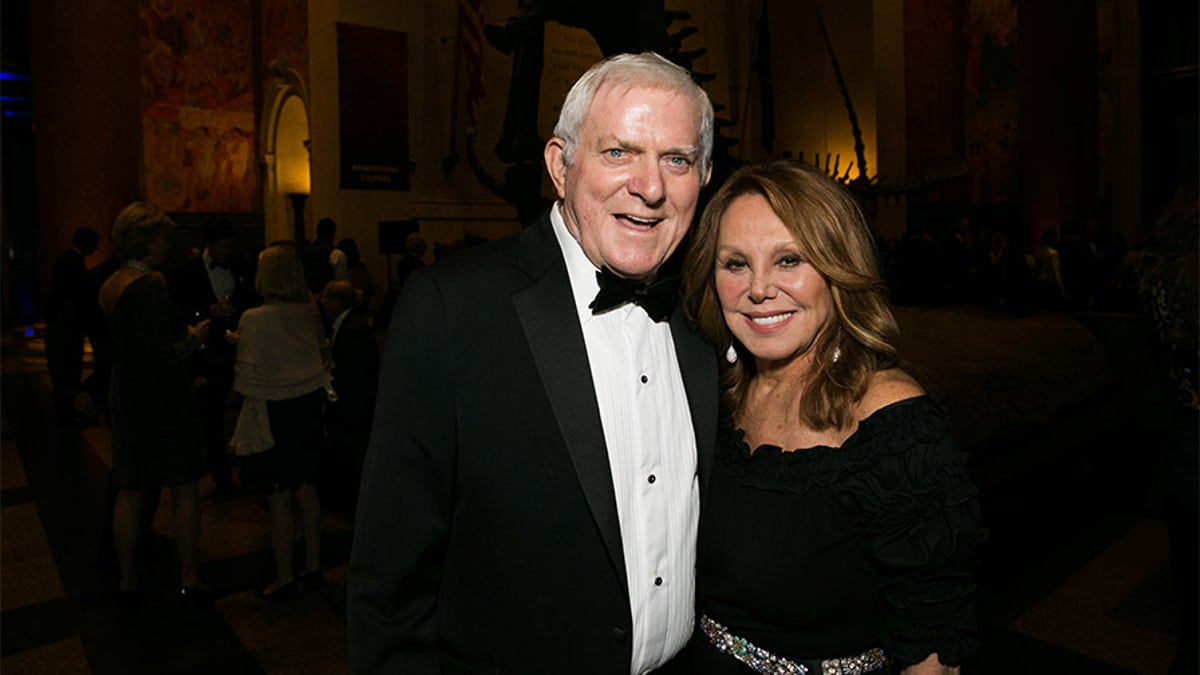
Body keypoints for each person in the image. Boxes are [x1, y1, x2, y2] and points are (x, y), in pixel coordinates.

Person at [348, 51, 717, 673]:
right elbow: (390, 581)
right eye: (619, 152)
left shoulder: (708, 311)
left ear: (703, 175)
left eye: (675, 160)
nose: (651, 187)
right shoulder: (453, 309)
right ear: (560, 165)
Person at [681, 159, 987, 675]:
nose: (758, 289)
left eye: (789, 260)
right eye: (735, 264)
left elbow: (933, 649)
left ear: (837, 268)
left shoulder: (892, 426)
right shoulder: (711, 390)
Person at [97, 202, 211, 605]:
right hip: (162, 398)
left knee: (131, 488)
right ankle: (189, 575)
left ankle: (127, 579)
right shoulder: (147, 289)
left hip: (126, 392)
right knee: (184, 487)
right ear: (146, 240)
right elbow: (162, 351)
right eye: (163, 237)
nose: (168, 244)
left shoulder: (113, 282)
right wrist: (195, 337)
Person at [230, 242, 332, 600]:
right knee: (306, 486)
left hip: (273, 410)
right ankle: (314, 564)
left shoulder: (255, 319)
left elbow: (246, 377)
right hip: (307, 406)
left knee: (277, 494)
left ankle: (285, 574)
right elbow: (322, 356)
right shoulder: (310, 310)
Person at [170, 220, 256, 494]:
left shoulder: (241, 267)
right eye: (222, 246)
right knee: (212, 417)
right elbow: (180, 310)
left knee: (248, 412)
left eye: (229, 246)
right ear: (209, 245)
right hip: (208, 351)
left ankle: (249, 471)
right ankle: (221, 477)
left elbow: (251, 300)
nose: (226, 251)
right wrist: (208, 311)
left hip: (241, 348)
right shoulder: (187, 272)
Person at [318, 279, 379, 515]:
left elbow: (352, 377)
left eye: (325, 298)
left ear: (335, 301)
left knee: (352, 459)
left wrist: (330, 397)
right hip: (355, 407)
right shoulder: (352, 324)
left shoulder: (352, 330)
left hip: (353, 409)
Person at [45, 226, 101, 423]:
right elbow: (75, 299)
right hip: (67, 328)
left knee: (63, 372)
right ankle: (68, 412)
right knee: (68, 370)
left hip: (62, 327)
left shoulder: (66, 259)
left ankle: (66, 410)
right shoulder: (74, 264)